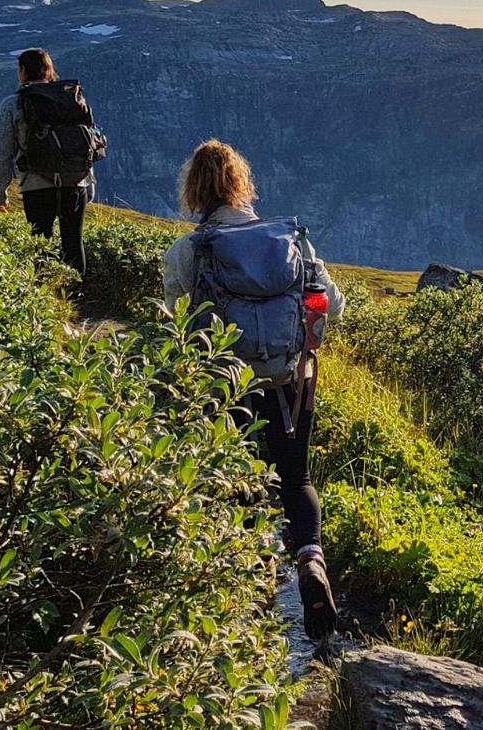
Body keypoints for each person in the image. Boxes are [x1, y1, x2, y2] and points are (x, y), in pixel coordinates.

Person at [162, 139, 344, 640]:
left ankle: (254, 589)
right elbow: (332, 303)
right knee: (296, 476)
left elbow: (180, 323)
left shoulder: (188, 251)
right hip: (293, 377)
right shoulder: (293, 240)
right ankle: (311, 562)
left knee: (235, 480)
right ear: (241, 183)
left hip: (227, 384)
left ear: (195, 190)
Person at [0, 48, 103, 279]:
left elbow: (4, 152)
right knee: (73, 241)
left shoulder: (13, 104)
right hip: (76, 181)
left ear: (22, 71)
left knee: (41, 242)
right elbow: (86, 141)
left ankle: (48, 302)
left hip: (37, 182)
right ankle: (74, 300)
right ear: (48, 70)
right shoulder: (71, 97)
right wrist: (89, 181)